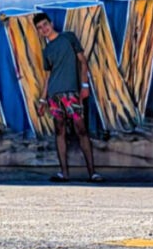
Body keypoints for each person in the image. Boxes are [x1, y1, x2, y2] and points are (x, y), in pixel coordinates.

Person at [33, 12, 103, 183]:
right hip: (54, 96)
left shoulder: (68, 38)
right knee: (59, 131)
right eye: (40, 28)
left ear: (50, 22)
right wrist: (43, 100)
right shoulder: (46, 50)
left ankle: (92, 173)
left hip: (72, 93)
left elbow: (82, 61)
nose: (44, 29)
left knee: (81, 130)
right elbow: (49, 76)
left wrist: (84, 85)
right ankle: (64, 173)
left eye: (45, 24)